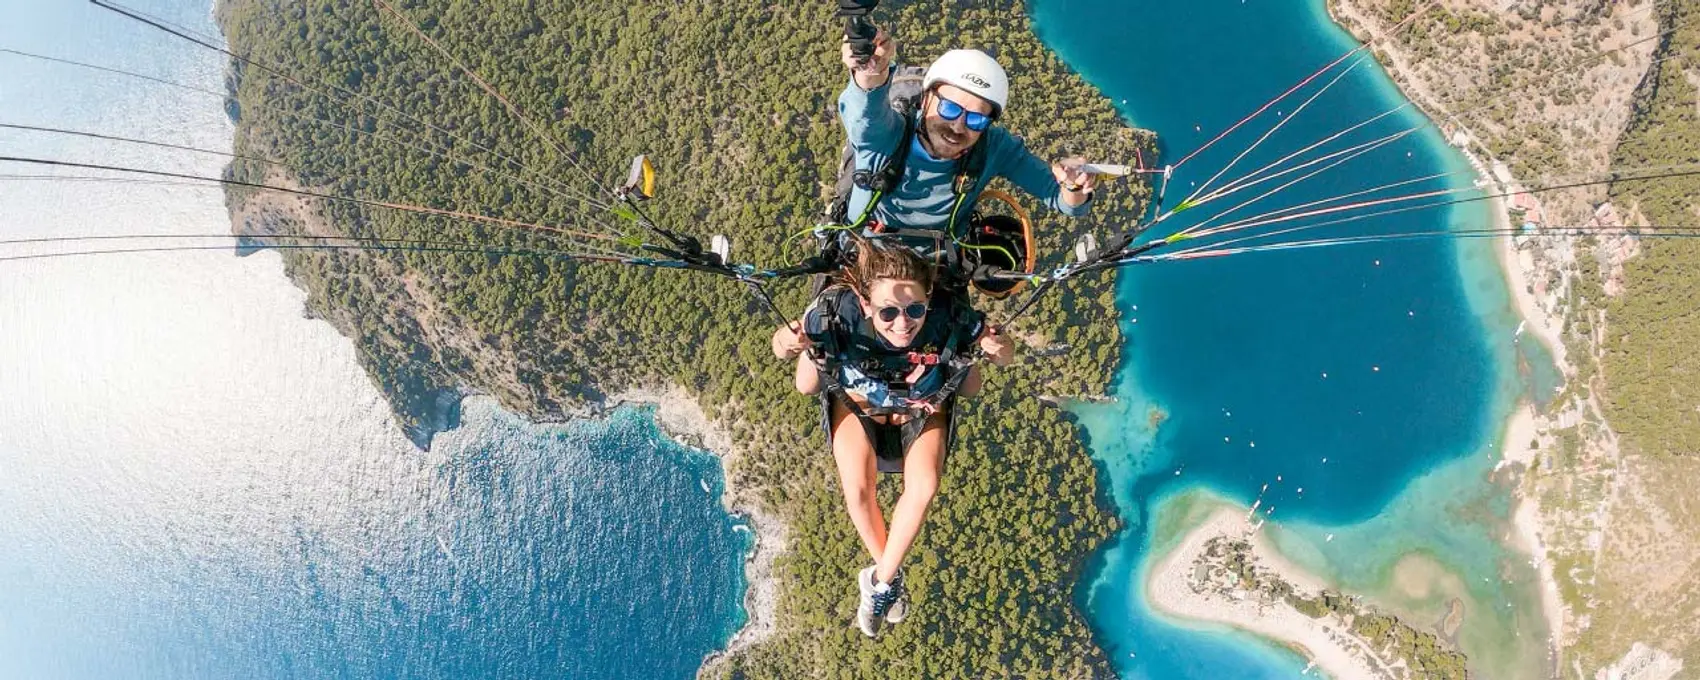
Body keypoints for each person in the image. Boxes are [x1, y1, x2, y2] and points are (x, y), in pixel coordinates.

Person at [771, 236, 1014, 638]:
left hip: (922, 406)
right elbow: (800, 377)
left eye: (914, 309)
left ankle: (881, 583)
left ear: (929, 299)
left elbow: (974, 384)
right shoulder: (836, 313)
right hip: (858, 404)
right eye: (888, 312)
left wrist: (993, 346)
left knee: (925, 485)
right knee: (859, 490)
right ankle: (886, 580)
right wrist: (796, 343)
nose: (903, 322)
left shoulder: (950, 317)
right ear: (866, 305)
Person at [833, 28, 1098, 271]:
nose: (958, 126)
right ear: (925, 100)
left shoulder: (992, 148)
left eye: (976, 119)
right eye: (949, 108)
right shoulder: (886, 134)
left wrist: (1073, 186)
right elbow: (865, 111)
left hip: (933, 274)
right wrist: (870, 71)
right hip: (861, 260)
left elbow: (1064, 201)